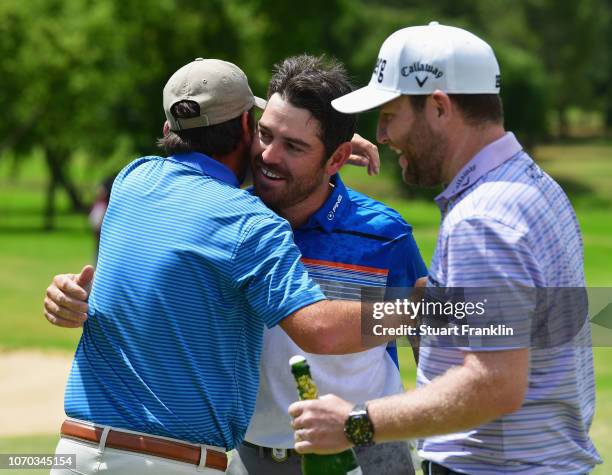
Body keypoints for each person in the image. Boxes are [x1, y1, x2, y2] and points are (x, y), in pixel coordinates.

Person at [44, 55, 426, 475]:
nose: (269, 156)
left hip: (367, 449)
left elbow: (437, 353)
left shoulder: (385, 233)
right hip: (248, 457)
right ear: (247, 130)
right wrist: (435, 308)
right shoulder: (245, 219)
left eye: (294, 145)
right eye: (265, 134)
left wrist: (462, 314)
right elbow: (320, 328)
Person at [288, 22, 602, 474]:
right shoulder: (532, 186)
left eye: (390, 115)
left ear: (438, 107)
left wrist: (357, 423)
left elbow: (494, 384)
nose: (381, 135)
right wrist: (436, 307)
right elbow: (515, 327)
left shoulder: (482, 219)